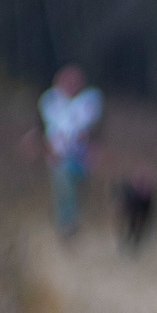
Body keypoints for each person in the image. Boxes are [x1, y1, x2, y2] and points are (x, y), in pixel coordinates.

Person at [33, 65, 104, 239]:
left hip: (82, 157)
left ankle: (70, 223)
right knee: (64, 191)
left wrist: (91, 141)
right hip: (59, 156)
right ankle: (66, 226)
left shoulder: (90, 100)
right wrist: (42, 146)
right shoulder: (49, 100)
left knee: (79, 192)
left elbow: (96, 127)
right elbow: (41, 127)